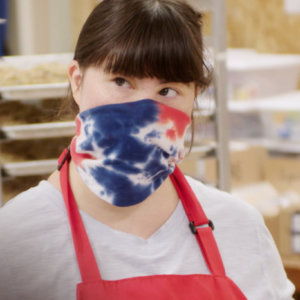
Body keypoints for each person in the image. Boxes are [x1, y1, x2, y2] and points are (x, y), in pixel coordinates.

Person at [0, 0, 295, 299]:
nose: (143, 111)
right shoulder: (17, 240)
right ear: (77, 81)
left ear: (195, 96)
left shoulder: (240, 227)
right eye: (121, 81)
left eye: (167, 91)